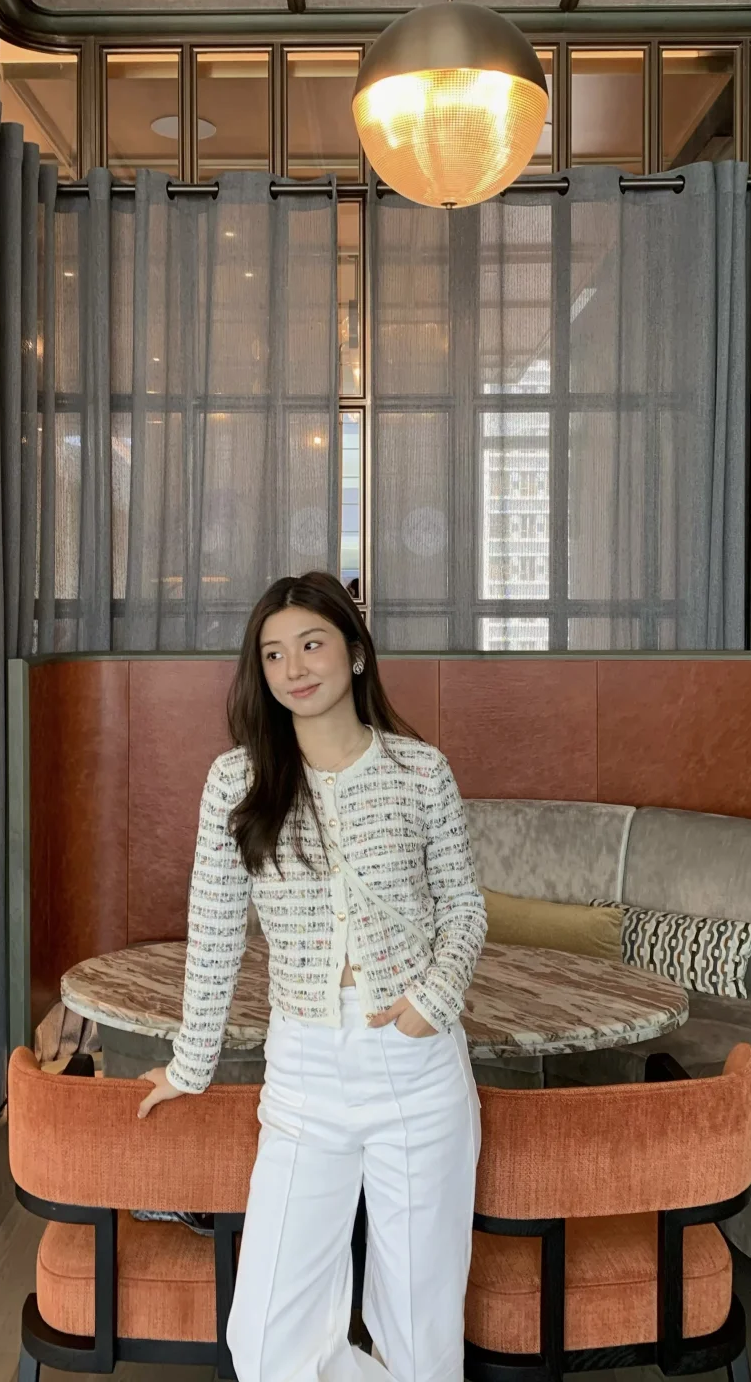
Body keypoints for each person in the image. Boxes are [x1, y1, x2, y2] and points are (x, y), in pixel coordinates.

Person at [138, 570, 486, 1382]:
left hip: (417, 1066)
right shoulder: (237, 782)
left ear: (355, 652)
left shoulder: (419, 771)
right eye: (273, 654)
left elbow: (465, 906)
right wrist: (191, 1064)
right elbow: (215, 933)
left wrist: (433, 1000)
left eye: (311, 644)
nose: (293, 667)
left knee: (421, 1337)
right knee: (264, 1343)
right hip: (303, 1073)